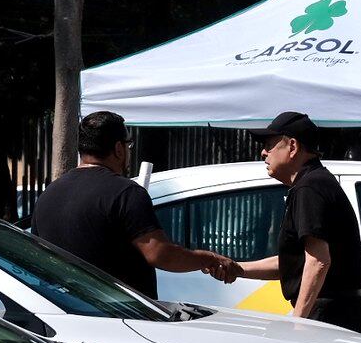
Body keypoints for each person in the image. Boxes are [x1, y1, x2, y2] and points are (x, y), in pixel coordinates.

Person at [33, 111, 235, 297]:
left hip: (63, 311)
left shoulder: (48, 195)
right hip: (119, 314)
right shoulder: (126, 192)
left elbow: (37, 256)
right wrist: (209, 258)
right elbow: (160, 254)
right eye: (128, 145)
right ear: (118, 149)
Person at [232, 112, 361, 336]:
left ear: (292, 146)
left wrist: (298, 323)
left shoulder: (309, 188)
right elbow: (298, 262)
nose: (263, 153)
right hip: (344, 312)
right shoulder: (314, 182)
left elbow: (318, 261)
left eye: (269, 145)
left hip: (333, 315)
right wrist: (238, 269)